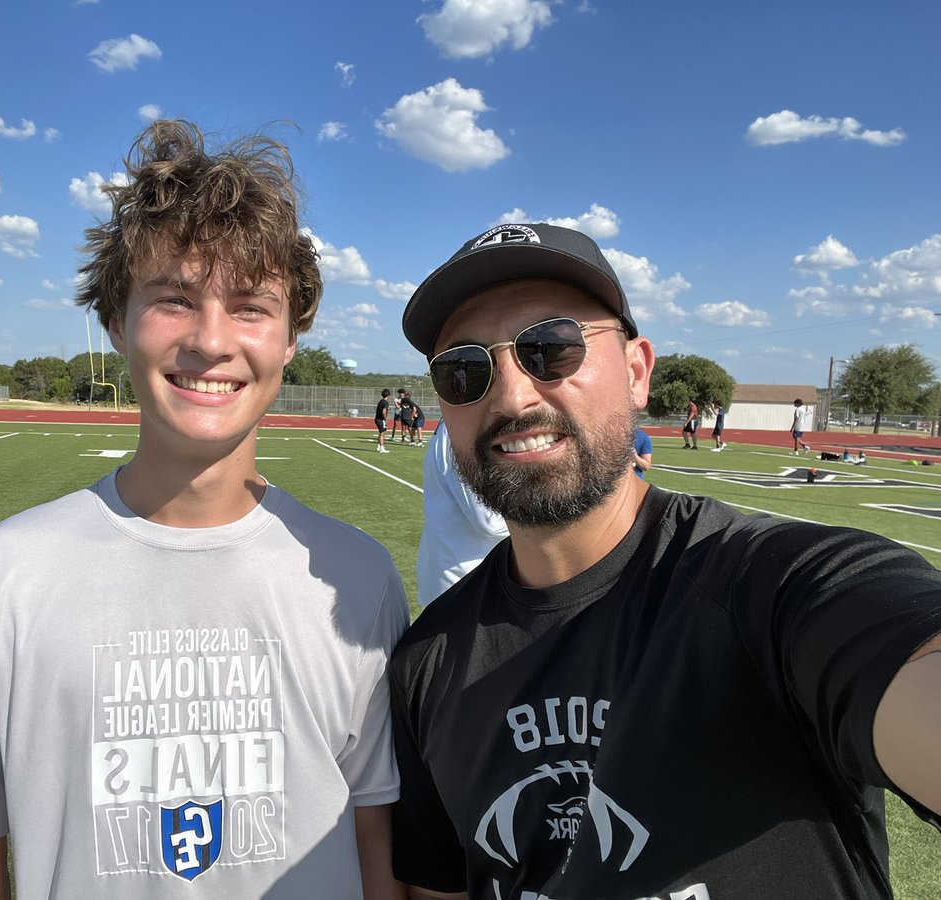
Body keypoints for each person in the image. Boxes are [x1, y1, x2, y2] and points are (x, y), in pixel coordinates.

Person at [0, 120, 409, 900]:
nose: (212, 340)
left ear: (291, 338)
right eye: (174, 300)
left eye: (250, 307)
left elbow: (379, 847)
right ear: (115, 322)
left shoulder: (357, 580)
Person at [390, 221, 941, 900]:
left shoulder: (772, 586)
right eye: (465, 369)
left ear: (636, 370)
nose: (511, 396)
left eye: (551, 348)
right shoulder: (426, 665)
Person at [416, 419, 509, 607]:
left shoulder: (452, 428)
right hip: (464, 583)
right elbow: (490, 521)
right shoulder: (459, 431)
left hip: (452, 575)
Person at [376, 388, 392, 453]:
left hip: (377, 418)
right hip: (381, 419)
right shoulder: (386, 402)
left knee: (380, 433)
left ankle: (379, 446)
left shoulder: (380, 401)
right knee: (382, 433)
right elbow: (384, 411)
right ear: (388, 395)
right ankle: (382, 448)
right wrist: (385, 419)